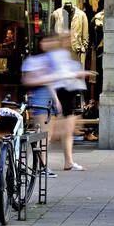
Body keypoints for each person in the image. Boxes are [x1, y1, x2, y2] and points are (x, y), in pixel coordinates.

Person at [47, 32, 94, 172]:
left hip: (69, 93)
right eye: (67, 38)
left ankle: (69, 162)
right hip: (62, 93)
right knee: (55, 132)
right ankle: (47, 164)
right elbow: (57, 76)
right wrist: (79, 74)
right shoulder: (55, 56)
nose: (70, 40)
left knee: (67, 131)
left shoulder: (66, 55)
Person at [21, 36, 64, 177]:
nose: (51, 44)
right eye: (47, 41)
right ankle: (40, 167)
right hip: (39, 98)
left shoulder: (49, 60)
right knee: (42, 136)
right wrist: (45, 78)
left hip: (49, 99)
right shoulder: (32, 60)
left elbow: (51, 82)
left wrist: (56, 99)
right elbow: (27, 80)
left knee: (47, 137)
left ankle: (41, 165)